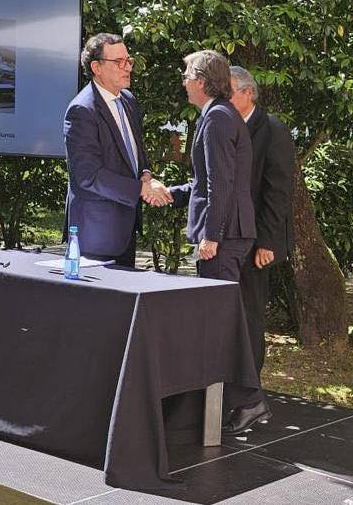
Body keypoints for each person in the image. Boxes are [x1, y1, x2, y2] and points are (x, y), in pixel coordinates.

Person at [221, 65, 297, 435]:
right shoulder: (226, 124)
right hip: (229, 241)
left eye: (229, 92)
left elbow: (278, 192)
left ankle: (250, 402)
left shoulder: (273, 129)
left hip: (256, 245)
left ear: (248, 93)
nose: (224, 98)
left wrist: (266, 242)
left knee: (249, 320)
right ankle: (230, 395)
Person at [63, 33, 171, 267]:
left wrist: (146, 175)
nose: (128, 67)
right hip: (96, 234)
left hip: (125, 227)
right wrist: (140, 189)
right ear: (96, 68)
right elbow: (88, 176)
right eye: (119, 62)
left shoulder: (128, 100)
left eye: (128, 60)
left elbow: (135, 151)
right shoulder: (82, 110)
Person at [169, 50, 256, 282]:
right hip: (228, 232)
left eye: (186, 77)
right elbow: (211, 179)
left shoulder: (218, 117)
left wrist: (212, 236)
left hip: (225, 235)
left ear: (200, 81)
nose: (184, 83)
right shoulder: (220, 113)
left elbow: (220, 182)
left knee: (217, 304)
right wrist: (170, 194)